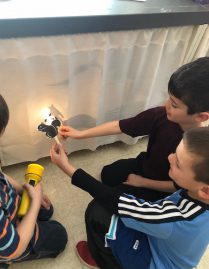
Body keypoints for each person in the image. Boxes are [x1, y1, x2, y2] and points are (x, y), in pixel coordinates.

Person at [50, 126, 209, 269]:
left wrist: (67, 168)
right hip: (171, 254)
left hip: (155, 266)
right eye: (175, 153)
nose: (169, 158)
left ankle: (106, 265)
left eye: (178, 163)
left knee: (97, 211)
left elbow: (116, 202)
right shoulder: (198, 196)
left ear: (205, 191)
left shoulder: (176, 218)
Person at [58, 57, 209, 201]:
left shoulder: (198, 151)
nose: (166, 104)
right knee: (107, 174)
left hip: (163, 189)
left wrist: (143, 182)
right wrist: (81, 134)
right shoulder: (161, 115)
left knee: (105, 203)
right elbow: (120, 126)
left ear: (201, 117)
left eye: (175, 105)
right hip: (145, 164)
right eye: (169, 98)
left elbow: (181, 188)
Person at [0, 82, 67, 269]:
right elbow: (15, 247)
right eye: (0, 133)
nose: (1, 138)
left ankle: (27, 216)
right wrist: (35, 201)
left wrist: (23, 190)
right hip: (10, 242)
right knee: (59, 235)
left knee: (48, 210)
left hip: (7, 208)